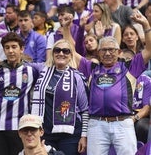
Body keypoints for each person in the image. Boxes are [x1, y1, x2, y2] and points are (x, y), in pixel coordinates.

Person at [63, 10, 151, 154]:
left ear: (118, 51)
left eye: (111, 50)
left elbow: (149, 49)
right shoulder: (91, 68)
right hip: (96, 124)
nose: (108, 53)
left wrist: (146, 24)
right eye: (104, 50)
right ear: (98, 52)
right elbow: (71, 51)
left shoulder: (129, 68)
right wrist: (66, 28)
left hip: (123, 123)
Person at [0, 32, 39, 155]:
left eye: (14, 47)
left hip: (20, 129)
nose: (10, 51)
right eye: (7, 48)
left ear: (22, 49)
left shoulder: (31, 71)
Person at [31, 39, 89, 155]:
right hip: (45, 132)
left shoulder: (77, 77)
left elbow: (85, 110)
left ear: (71, 55)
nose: (61, 53)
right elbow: (21, 64)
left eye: (65, 51)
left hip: (70, 135)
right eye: (57, 50)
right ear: (52, 54)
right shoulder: (41, 70)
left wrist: (84, 136)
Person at [120, 49, 150, 144]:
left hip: (139, 117)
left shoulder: (146, 80)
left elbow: (147, 107)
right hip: (120, 117)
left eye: (128, 60)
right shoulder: (115, 80)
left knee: (141, 126)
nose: (125, 64)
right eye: (122, 61)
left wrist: (134, 118)